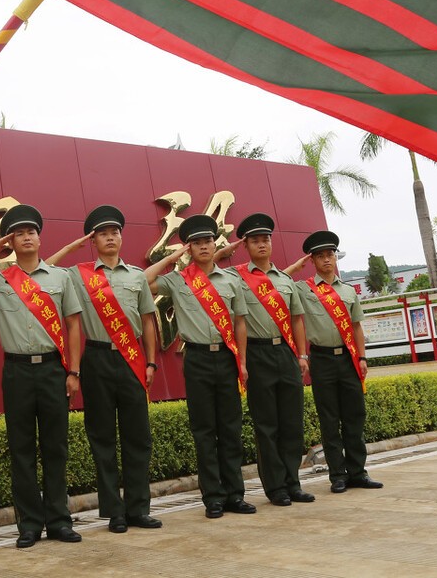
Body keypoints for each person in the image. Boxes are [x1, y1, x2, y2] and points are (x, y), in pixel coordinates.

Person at [0, 205, 83, 549]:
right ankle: (29, 524)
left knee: (56, 447)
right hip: (16, 371)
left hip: (54, 370)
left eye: (30, 231)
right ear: (11, 239)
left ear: (39, 236)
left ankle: (59, 521)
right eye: (18, 233)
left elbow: (74, 325)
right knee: (21, 449)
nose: (26, 237)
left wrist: (74, 371)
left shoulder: (60, 278)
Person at [144, 215, 256, 520]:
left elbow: (241, 323)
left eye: (208, 241)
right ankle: (213, 497)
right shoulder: (179, 281)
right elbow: (144, 279)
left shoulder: (232, 280)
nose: (204, 246)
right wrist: (174, 257)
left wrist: (243, 362)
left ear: (214, 243)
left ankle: (235, 494)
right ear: (189, 248)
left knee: (231, 429)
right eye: (196, 243)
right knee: (205, 431)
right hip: (197, 359)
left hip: (227, 358)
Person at [64, 205, 161, 534]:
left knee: (138, 437)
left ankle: (138, 509)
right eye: (103, 233)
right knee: (102, 437)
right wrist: (72, 248)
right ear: (93, 240)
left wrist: (149, 361)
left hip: (132, 358)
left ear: (121, 236)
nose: (110, 237)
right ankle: (114, 511)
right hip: (97, 359)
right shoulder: (78, 275)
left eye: (115, 232)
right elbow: (40, 271)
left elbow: (148, 321)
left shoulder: (136, 275)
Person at [228, 213, 313, 506]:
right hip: (256, 353)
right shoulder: (236, 277)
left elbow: (297, 320)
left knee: (292, 423)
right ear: (246, 245)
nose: (262, 244)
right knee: (266, 425)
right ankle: (275, 487)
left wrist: (301, 355)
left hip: (286, 353)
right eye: (255, 240)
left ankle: (293, 482)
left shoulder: (286, 280)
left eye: (265, 239)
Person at [290, 230, 383, 493]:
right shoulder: (304, 289)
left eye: (330, 255)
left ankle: (358, 472)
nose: (327, 260)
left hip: (349, 359)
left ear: (335, 257)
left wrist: (362, 357)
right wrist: (299, 265)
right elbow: (277, 281)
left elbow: (356, 327)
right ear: (313, 261)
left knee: (355, 417)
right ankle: (338, 476)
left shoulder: (348, 291)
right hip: (321, 359)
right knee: (329, 419)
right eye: (320, 257)